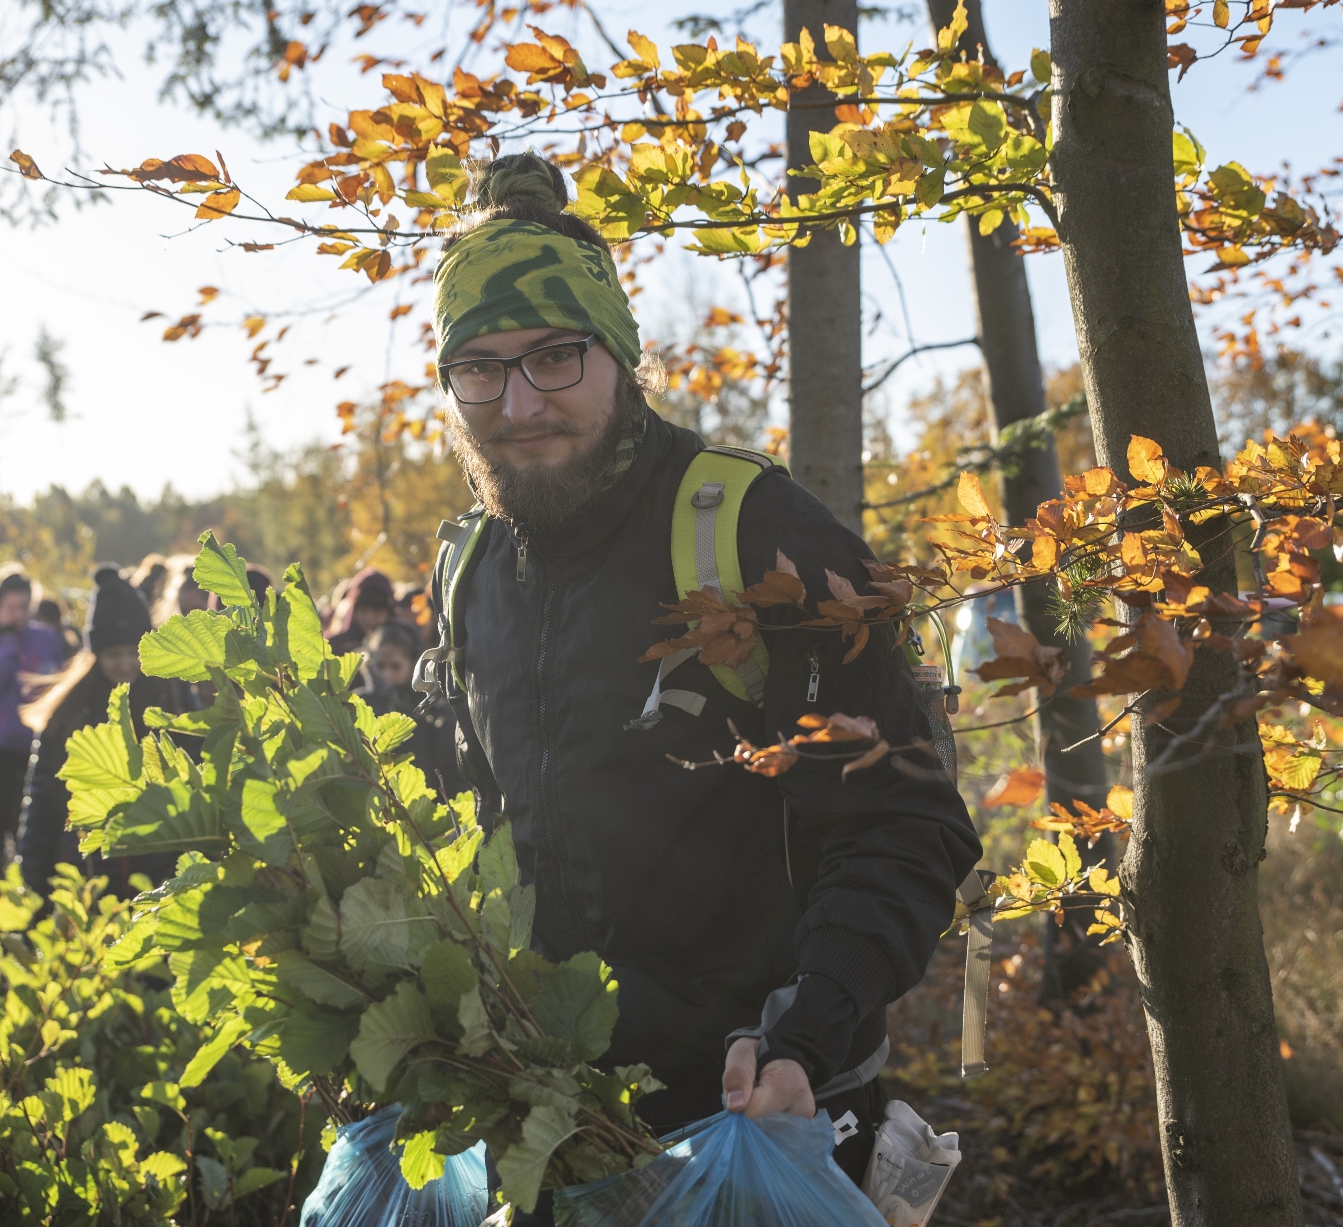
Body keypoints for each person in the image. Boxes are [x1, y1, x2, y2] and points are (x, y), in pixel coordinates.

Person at [419, 152, 981, 1210]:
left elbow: (905, 822)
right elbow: (466, 829)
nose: (518, 402)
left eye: (554, 357)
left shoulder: (750, 532)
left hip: (763, 1110)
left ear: (620, 355)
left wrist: (806, 1035)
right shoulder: (469, 572)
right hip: (553, 1116)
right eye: (479, 368)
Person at [18, 565, 198, 894]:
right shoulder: (69, 712)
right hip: (88, 871)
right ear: (95, 655)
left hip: (160, 871)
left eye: (133, 653)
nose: (125, 664)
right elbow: (43, 805)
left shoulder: (173, 701)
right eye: (114, 654)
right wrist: (33, 882)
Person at [0, 564, 68, 875]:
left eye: (23, 607)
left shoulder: (46, 638)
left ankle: (27, 874)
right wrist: (6, 644)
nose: (17, 615)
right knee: (0, 813)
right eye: (10, 607)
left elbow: (60, 681)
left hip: (37, 741)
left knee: (29, 813)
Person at [352, 621, 460, 793]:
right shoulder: (359, 704)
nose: (387, 674)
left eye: (395, 666)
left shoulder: (431, 708)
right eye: (380, 665)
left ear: (413, 664)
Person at [325, 567, 397, 655]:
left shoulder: (404, 645)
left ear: (389, 611)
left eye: (377, 610)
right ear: (354, 611)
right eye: (363, 610)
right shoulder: (331, 647)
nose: (370, 617)